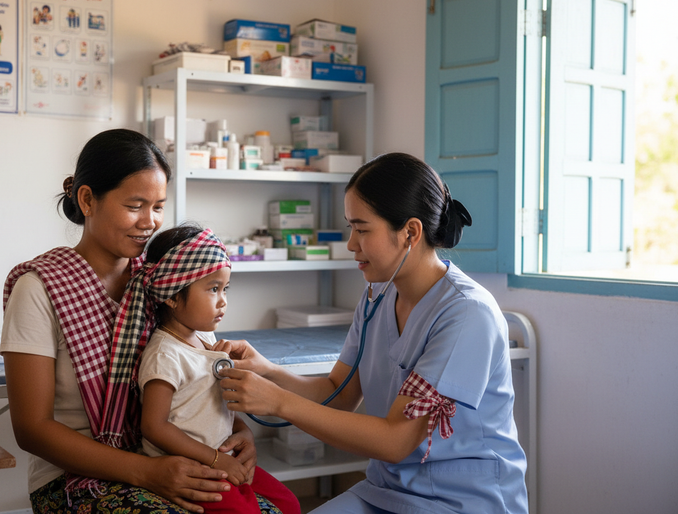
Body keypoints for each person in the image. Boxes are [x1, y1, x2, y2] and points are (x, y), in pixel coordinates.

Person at [217, 153, 529, 514]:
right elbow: (338, 392)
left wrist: (277, 401)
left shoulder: (466, 314)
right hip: (387, 489)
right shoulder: (377, 297)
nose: (352, 243)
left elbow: (397, 440)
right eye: (351, 228)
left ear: (410, 232)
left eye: (362, 229)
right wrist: (266, 370)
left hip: (461, 500)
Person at [0, 129, 283, 514]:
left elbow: (200, 377)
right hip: (73, 480)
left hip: (167, 454)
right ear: (87, 199)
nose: (149, 222)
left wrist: (240, 433)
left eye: (158, 207)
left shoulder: (163, 280)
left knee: (276, 508)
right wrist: (147, 472)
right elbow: (31, 429)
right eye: (135, 205)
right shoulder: (39, 288)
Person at [137, 225, 300, 514]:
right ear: (172, 295)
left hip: (221, 457)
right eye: (213, 289)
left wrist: (243, 432)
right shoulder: (165, 355)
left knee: (289, 503)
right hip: (193, 466)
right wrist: (214, 459)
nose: (223, 300)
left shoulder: (206, 339)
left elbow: (214, 404)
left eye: (225, 289)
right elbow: (154, 426)